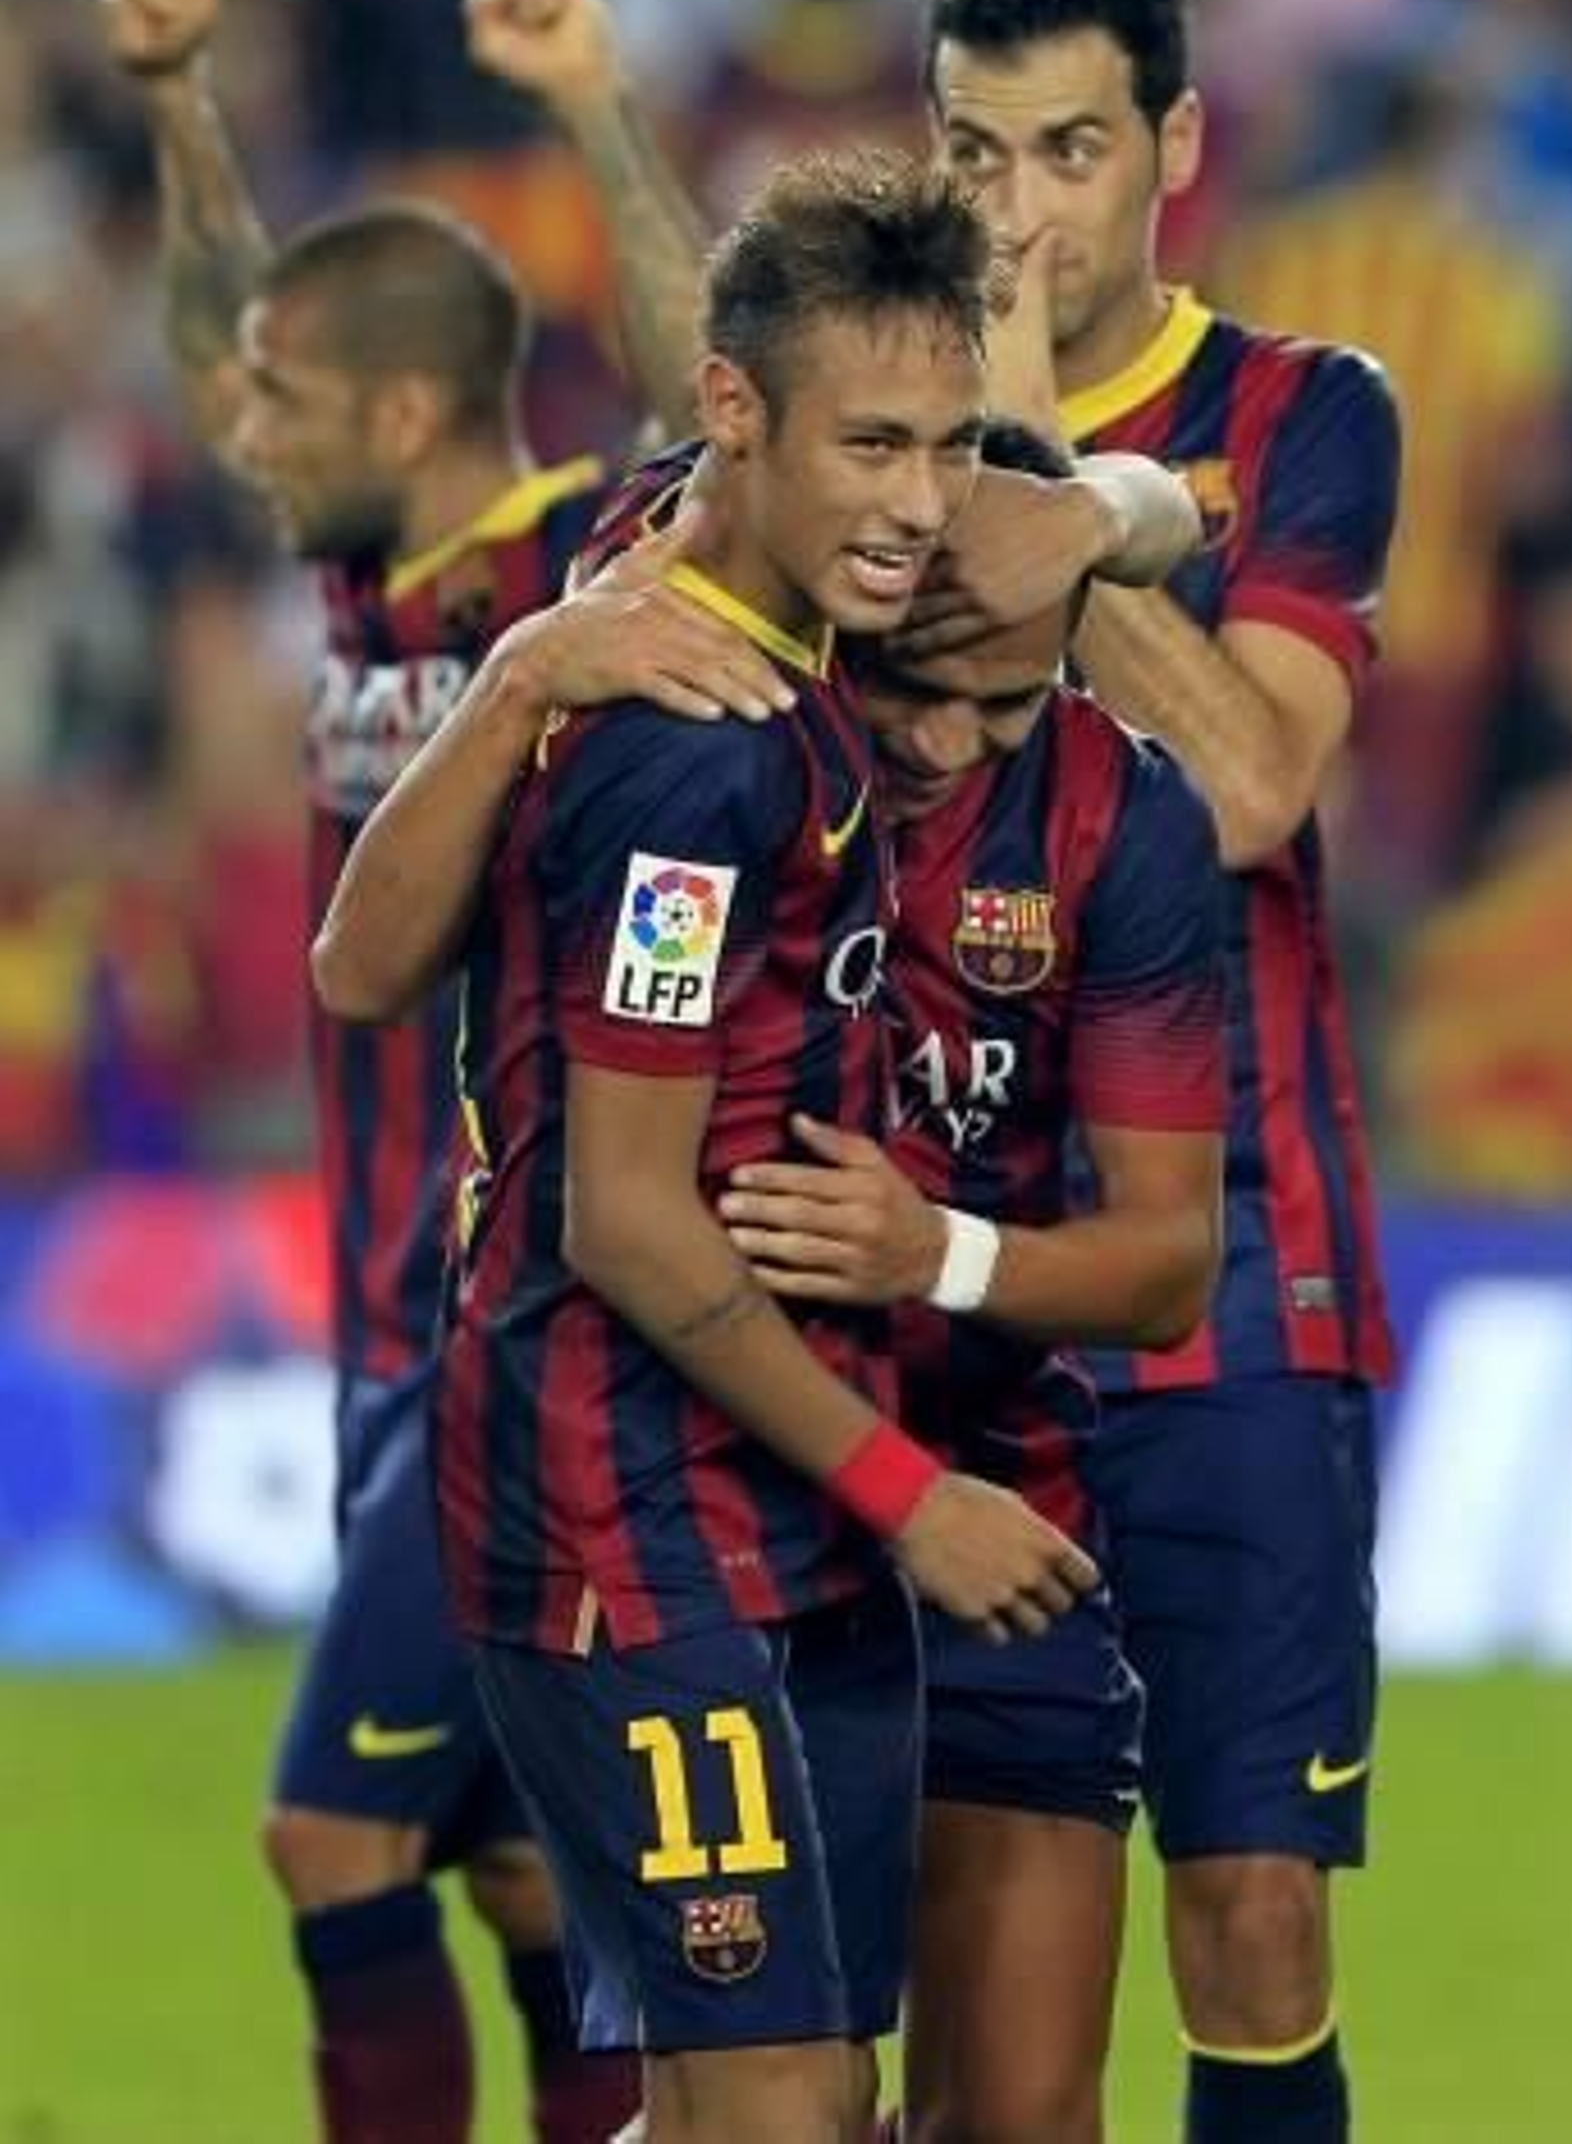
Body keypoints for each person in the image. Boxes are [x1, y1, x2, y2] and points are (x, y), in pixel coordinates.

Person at [318, 409, 1223, 2144]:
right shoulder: (699, 686)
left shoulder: (1123, 818)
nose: (953, 747)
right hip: (708, 1489)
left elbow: (1168, 1261)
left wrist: (932, 1252)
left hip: (995, 1511)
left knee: (991, 2117)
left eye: (1011, 705)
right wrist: (521, 666)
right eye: (917, 692)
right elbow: (756, 366)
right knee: (785, 2099)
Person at [97, 0, 799, 2144]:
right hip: (383, 1330)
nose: (242, 424)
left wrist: (598, 108)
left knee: (329, 1838)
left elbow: (721, 394)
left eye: (290, 408)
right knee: (517, 1876)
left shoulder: (564, 580)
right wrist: (185, 97)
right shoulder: (358, 591)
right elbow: (235, 329)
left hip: (520, 1314)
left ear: (399, 413)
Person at [908, 0, 1402, 2144]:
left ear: (1174, 147)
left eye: (1068, 149)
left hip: (1230, 1283)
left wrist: (1041, 487)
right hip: (933, 1304)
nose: (1015, 209)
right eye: (971, 151)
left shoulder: (1301, 417)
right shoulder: (865, 440)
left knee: (1247, 1912)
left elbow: (1257, 787)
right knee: (982, 1963)